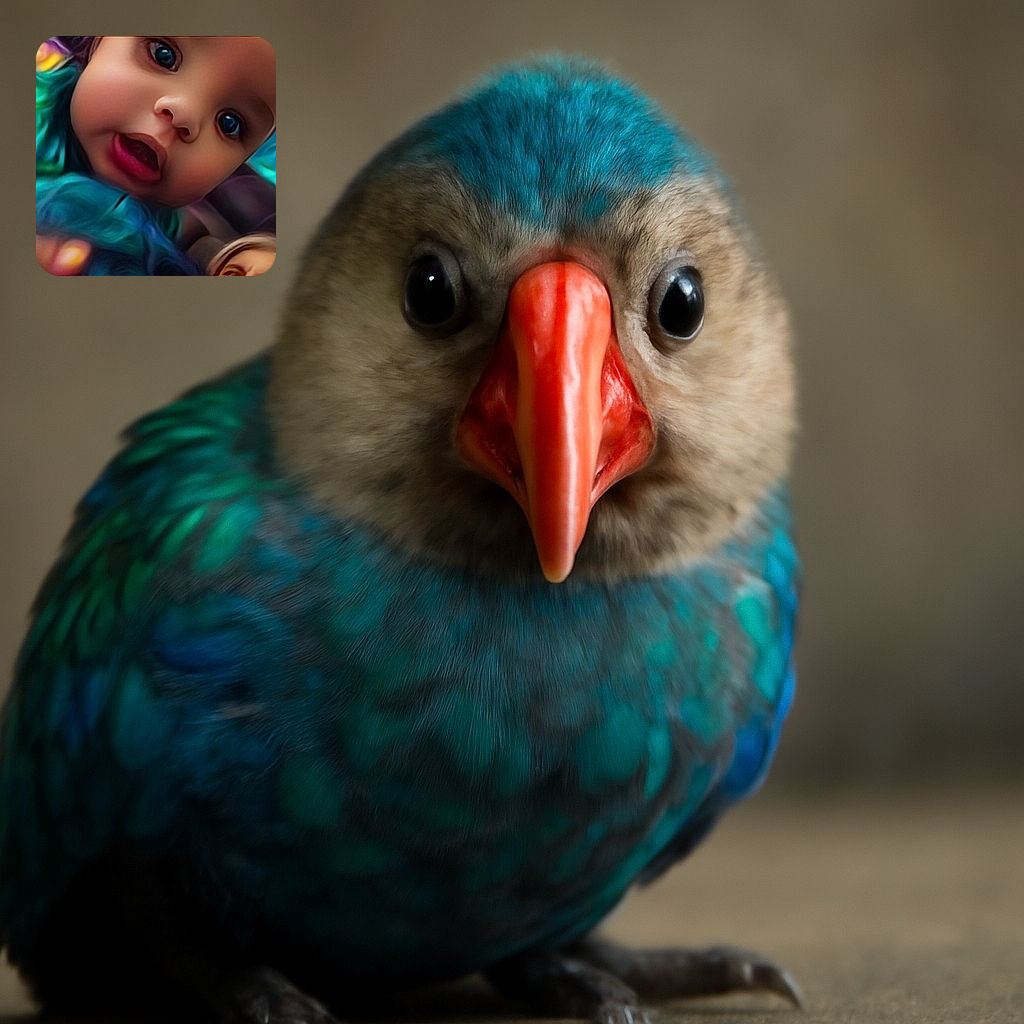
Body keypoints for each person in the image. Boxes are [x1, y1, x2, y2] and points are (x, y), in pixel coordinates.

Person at [36, 36, 276, 275]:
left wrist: (229, 257)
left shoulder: (162, 217)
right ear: (97, 44)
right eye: (163, 55)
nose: (185, 114)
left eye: (229, 123)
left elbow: (193, 237)